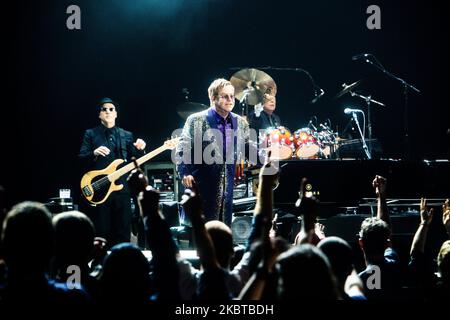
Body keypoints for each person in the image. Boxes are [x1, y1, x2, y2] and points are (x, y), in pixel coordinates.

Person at [176, 78, 250, 226]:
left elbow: (248, 148)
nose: (230, 100)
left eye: (232, 95)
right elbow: (182, 149)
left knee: (222, 237)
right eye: (225, 96)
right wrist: (184, 172)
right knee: (201, 239)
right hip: (201, 188)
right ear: (213, 98)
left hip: (227, 192)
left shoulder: (240, 122)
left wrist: (267, 157)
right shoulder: (196, 120)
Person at [78, 97, 146, 248]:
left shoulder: (126, 135)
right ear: (99, 115)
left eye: (111, 109)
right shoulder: (90, 134)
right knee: (102, 231)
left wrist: (140, 149)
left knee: (123, 231)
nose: (108, 111)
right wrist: (94, 152)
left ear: (116, 114)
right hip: (100, 189)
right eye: (104, 109)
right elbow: (81, 159)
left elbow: (134, 161)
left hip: (122, 189)